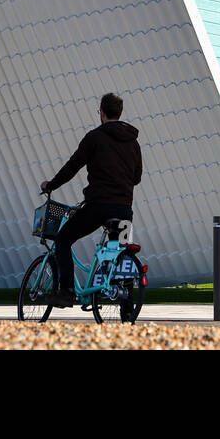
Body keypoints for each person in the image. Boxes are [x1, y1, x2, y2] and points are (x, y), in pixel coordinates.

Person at [40, 92, 142, 308]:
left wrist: (50, 185)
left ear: (102, 113)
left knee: (63, 240)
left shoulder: (95, 137)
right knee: (122, 255)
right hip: (124, 209)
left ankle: (66, 291)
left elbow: (72, 166)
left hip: (99, 206)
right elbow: (137, 177)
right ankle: (127, 310)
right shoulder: (133, 143)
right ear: (120, 112)